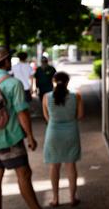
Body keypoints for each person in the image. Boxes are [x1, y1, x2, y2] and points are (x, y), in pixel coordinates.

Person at [0, 46, 41, 209]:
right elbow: (22, 113)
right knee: (24, 174)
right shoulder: (14, 84)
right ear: (6, 61)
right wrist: (30, 136)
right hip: (10, 138)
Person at [42, 72, 83, 207]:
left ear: (54, 81)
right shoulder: (76, 96)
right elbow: (80, 115)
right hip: (71, 132)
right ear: (67, 82)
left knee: (54, 166)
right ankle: (72, 198)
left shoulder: (46, 97)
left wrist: (56, 122)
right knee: (71, 165)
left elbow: (47, 117)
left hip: (53, 132)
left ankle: (55, 198)